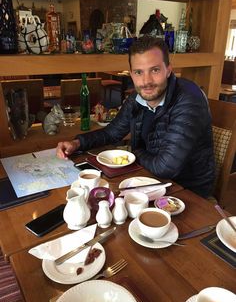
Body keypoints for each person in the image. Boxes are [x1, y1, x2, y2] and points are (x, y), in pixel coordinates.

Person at [57, 36, 215, 198]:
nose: (146, 81)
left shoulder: (189, 99)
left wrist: (134, 153)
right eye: (139, 72)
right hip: (148, 180)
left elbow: (166, 167)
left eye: (155, 70)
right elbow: (112, 133)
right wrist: (76, 143)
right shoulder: (137, 98)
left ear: (168, 69)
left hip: (188, 191)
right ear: (131, 74)